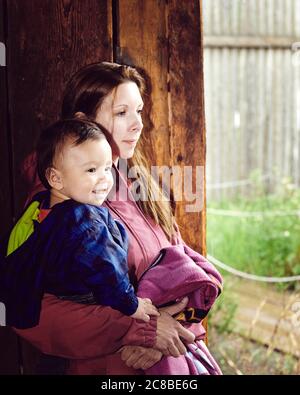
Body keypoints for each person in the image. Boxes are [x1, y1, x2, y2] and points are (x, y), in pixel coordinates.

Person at [10, 61, 220, 374]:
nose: (137, 124)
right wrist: (142, 330)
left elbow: (184, 263)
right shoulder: (56, 203)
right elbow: (32, 309)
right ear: (83, 121)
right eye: (122, 113)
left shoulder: (138, 182)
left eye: (139, 111)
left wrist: (171, 322)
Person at [2, 118, 160, 329]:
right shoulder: (85, 220)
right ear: (56, 179)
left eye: (107, 168)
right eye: (91, 170)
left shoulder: (40, 208)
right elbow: (108, 269)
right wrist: (132, 305)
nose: (104, 178)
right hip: (92, 300)